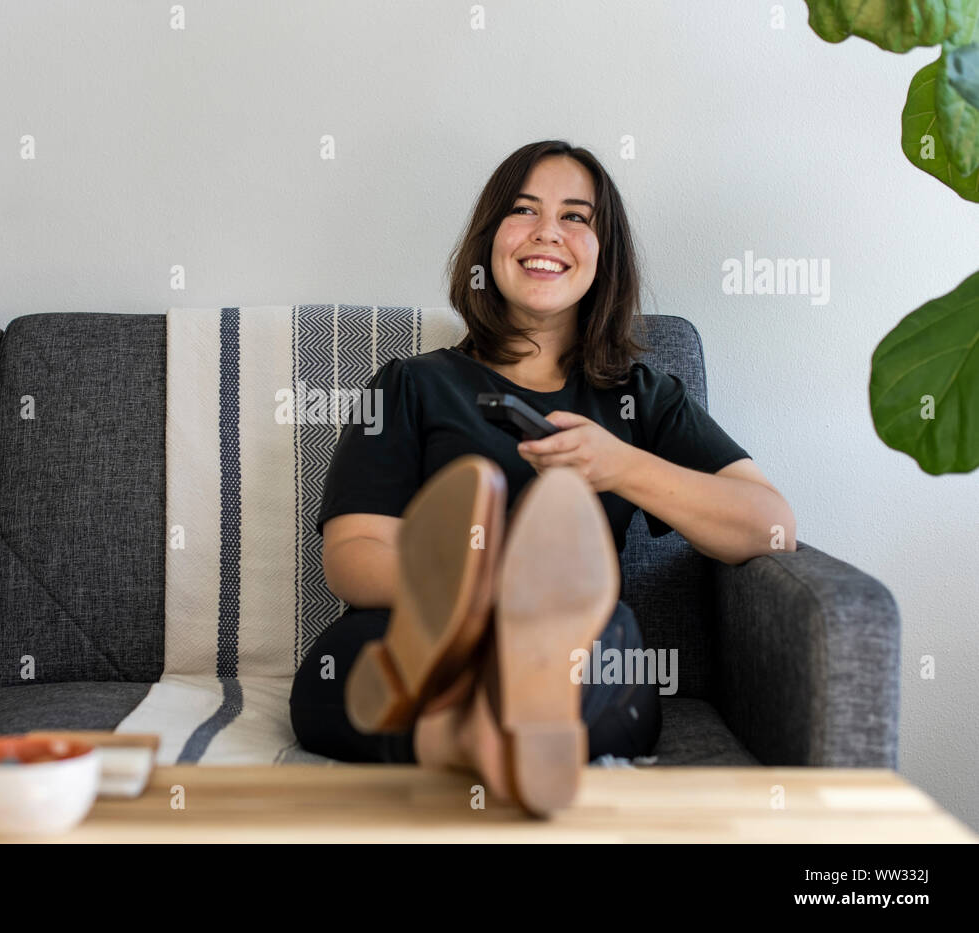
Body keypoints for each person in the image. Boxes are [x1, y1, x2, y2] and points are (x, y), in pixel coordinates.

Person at [287, 140, 798, 817]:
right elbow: (350, 558)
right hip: (423, 636)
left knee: (608, 637)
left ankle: (474, 729)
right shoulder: (412, 385)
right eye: (523, 210)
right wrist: (486, 591)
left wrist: (620, 464)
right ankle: (498, 732)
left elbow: (771, 524)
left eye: (576, 216)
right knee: (336, 667)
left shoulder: (641, 397)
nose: (547, 232)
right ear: (489, 240)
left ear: (603, 253)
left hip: (570, 644)